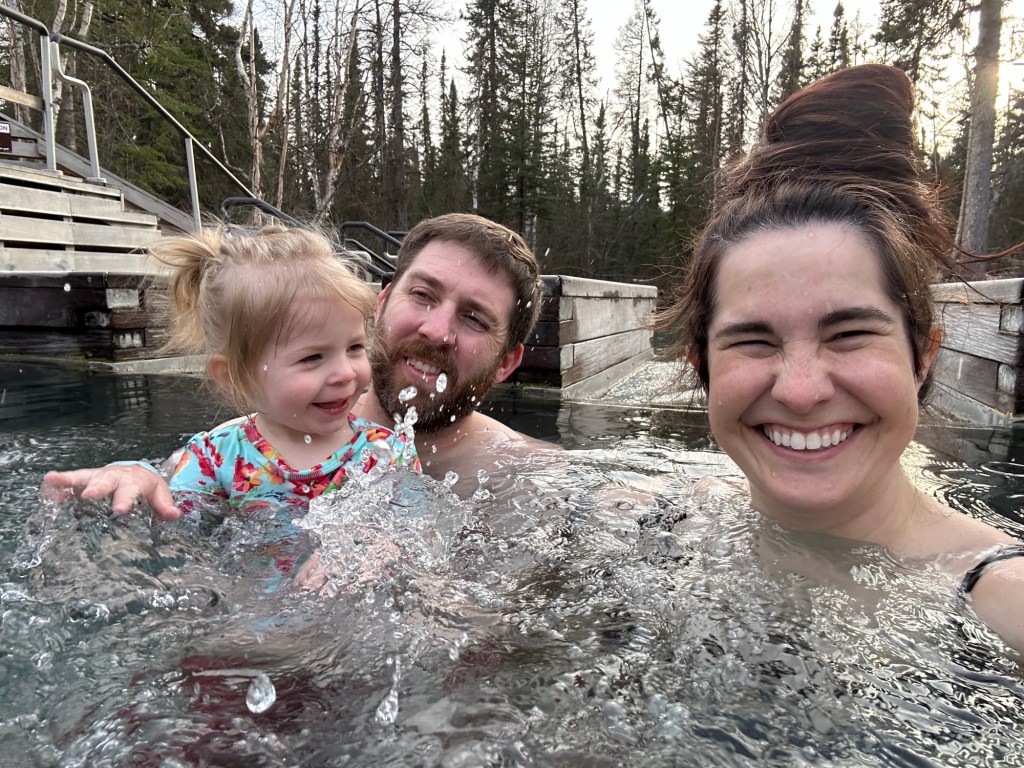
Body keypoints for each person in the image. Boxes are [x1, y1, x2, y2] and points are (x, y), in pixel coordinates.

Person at [653, 63, 1024, 654]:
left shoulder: (1002, 599)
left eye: (849, 334)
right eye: (754, 341)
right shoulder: (670, 523)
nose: (801, 392)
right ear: (703, 368)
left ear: (923, 356)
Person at [42, 213, 548, 516]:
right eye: (422, 294)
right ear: (381, 304)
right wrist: (132, 480)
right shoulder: (237, 444)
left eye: (474, 318)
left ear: (506, 364)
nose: (436, 330)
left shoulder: (531, 476)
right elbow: (171, 497)